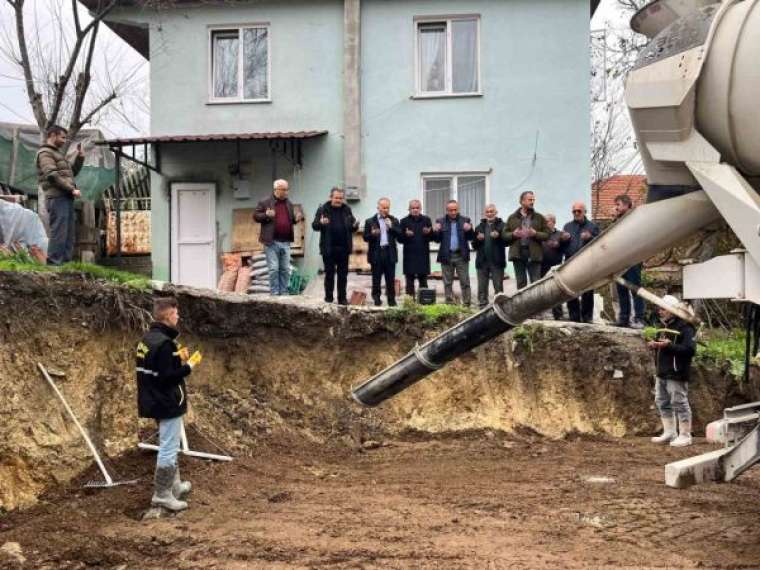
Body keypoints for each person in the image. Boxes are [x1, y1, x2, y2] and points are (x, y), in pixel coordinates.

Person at [136, 297, 203, 512]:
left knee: (171, 445)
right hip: (166, 402)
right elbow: (167, 378)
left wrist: (175, 357)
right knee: (168, 448)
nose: (178, 316)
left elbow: (154, 369)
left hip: (153, 399)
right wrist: (189, 366)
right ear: (167, 316)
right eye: (175, 313)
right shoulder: (164, 344)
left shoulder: (147, 340)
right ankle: (162, 495)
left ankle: (174, 486)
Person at [647, 295, 697, 447]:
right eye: (659, 308)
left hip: (677, 373)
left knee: (679, 402)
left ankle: (685, 435)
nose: (659, 311)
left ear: (672, 310)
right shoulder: (663, 326)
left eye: (663, 308)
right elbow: (664, 346)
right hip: (662, 371)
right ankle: (670, 432)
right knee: (662, 401)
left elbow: (690, 350)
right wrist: (655, 345)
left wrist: (667, 346)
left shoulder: (686, 327)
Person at [36, 125, 84, 265]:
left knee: (68, 232)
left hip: (65, 196)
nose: (64, 140)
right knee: (59, 231)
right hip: (57, 197)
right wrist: (71, 189)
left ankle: (65, 264)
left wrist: (80, 158)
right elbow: (51, 175)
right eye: (62, 137)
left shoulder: (57, 154)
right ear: (52, 135)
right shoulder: (45, 153)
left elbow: (70, 173)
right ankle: (54, 263)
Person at [253, 179, 302, 296]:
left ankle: (284, 292)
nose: (286, 192)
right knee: (274, 269)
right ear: (276, 189)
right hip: (271, 242)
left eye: (287, 189)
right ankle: (274, 293)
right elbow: (255, 216)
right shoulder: (265, 202)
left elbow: (289, 220)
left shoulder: (288, 203)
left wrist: (296, 219)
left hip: (285, 242)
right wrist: (266, 215)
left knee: (285, 269)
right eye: (283, 190)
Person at [312, 187, 358, 305]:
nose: (338, 200)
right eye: (336, 198)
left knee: (343, 275)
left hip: (344, 248)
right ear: (331, 197)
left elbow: (352, 226)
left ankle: (342, 298)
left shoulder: (347, 209)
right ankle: (329, 298)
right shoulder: (323, 209)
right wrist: (321, 223)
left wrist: (355, 225)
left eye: (340, 198)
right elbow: (315, 225)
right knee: (329, 275)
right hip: (328, 248)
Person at [560, 202, 600, 323]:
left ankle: (587, 317)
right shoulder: (567, 226)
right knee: (570, 290)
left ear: (584, 212)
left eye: (579, 211)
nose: (576, 213)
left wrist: (590, 238)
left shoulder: (593, 226)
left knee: (587, 290)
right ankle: (574, 316)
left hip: (587, 263)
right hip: (570, 262)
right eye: (574, 211)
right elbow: (562, 246)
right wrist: (562, 240)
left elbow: (600, 243)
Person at [432, 200, 475, 306]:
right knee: (447, 282)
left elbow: (471, 237)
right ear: (447, 211)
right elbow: (437, 240)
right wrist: (436, 231)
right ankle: (449, 303)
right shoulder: (440, 221)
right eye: (450, 210)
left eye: (455, 210)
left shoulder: (465, 220)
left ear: (458, 209)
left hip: (461, 255)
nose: (453, 212)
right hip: (447, 255)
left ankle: (466, 303)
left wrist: (470, 229)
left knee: (465, 281)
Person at [503, 191, 548, 290]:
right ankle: (523, 305)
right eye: (530, 200)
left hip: (534, 253)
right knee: (521, 282)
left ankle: (536, 305)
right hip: (518, 254)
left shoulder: (539, 217)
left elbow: (547, 235)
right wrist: (513, 234)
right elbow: (504, 235)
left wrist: (535, 234)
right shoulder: (512, 217)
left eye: (533, 200)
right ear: (522, 201)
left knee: (536, 282)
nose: (532, 202)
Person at [613, 194, 646, 329]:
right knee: (621, 289)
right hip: (620, 259)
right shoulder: (618, 219)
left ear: (627, 205)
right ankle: (624, 317)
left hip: (632, 259)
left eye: (618, 205)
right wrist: (615, 219)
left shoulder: (635, 217)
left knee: (635, 289)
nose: (616, 208)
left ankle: (639, 318)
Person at [363, 198, 401, 306]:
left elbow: (399, 234)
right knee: (376, 278)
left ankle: (391, 300)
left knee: (390, 278)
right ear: (378, 207)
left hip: (390, 253)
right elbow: (365, 237)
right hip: (376, 253)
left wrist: (391, 227)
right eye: (383, 207)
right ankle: (376, 298)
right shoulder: (370, 221)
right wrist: (373, 234)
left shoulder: (394, 220)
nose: (385, 210)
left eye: (387, 207)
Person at [472, 204, 507, 308]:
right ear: (485, 213)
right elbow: (474, 246)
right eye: (487, 212)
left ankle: (500, 306)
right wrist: (478, 239)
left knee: (498, 286)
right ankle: (482, 306)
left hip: (497, 261)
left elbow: (508, 242)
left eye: (492, 211)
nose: (489, 214)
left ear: (496, 212)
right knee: (482, 286)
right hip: (482, 261)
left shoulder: (503, 226)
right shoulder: (479, 227)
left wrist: (499, 236)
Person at [399, 199, 433, 298]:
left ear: (421, 209)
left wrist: (429, 233)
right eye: (413, 208)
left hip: (423, 256)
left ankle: (424, 304)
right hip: (409, 257)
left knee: (423, 282)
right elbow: (399, 239)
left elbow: (432, 238)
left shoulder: (426, 220)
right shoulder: (404, 221)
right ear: (409, 209)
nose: (415, 210)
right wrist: (405, 235)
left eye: (417, 208)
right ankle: (410, 305)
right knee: (409, 283)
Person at [540, 213, 564, 320]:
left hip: (555, 266)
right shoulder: (541, 234)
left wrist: (559, 245)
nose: (545, 224)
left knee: (555, 291)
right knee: (541, 290)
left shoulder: (560, 234)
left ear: (553, 222)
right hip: (541, 266)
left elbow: (565, 247)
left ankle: (558, 315)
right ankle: (541, 314)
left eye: (547, 221)